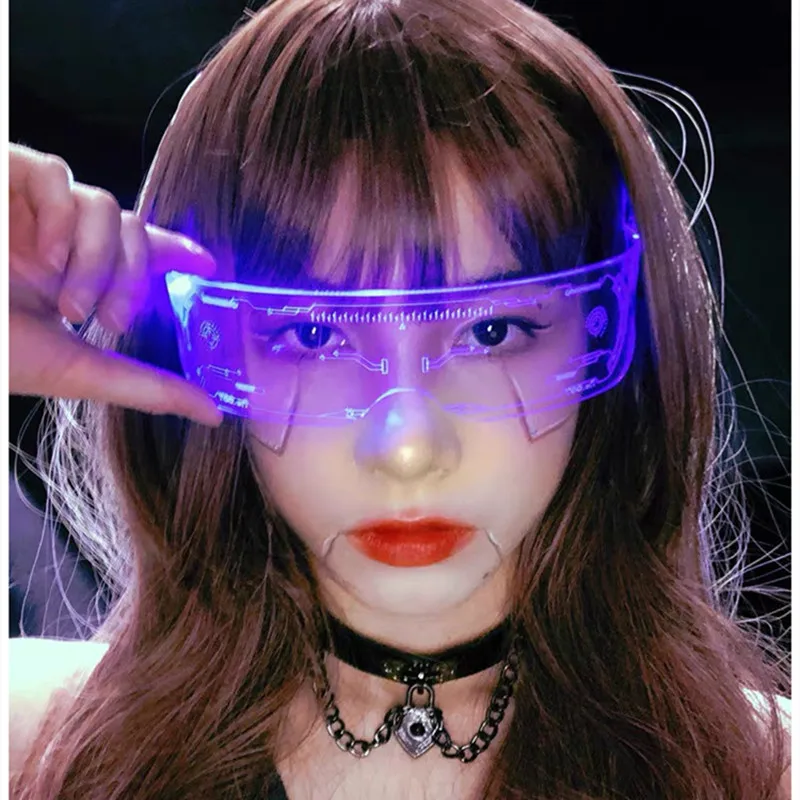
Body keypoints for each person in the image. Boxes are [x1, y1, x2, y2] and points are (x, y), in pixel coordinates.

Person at [8, 0, 791, 797]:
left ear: (610, 332)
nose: (408, 445)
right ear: (202, 344)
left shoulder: (764, 769)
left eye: (492, 332)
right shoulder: (38, 744)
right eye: (314, 335)